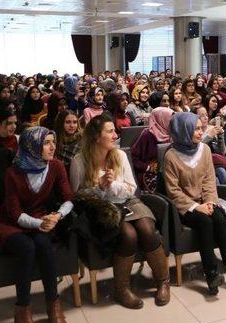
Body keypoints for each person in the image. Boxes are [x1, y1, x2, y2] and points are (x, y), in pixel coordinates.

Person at [70, 114, 170, 309]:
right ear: (96, 137)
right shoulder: (79, 161)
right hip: (102, 208)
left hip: (127, 200)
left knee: (147, 229)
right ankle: (121, 289)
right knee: (129, 235)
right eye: (110, 131)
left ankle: (163, 281)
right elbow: (77, 196)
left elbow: (131, 188)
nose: (116, 135)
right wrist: (99, 187)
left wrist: (112, 185)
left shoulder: (120, 155)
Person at [0, 127, 74, 323]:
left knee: (44, 245)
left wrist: (58, 215)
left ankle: (53, 306)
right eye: (46, 142)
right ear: (32, 146)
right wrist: (41, 223)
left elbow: (69, 198)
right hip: (10, 223)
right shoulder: (13, 172)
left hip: (41, 218)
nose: (53, 146)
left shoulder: (56, 166)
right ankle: (22, 309)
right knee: (27, 247)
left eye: (53, 141)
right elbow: (14, 213)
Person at [164, 113, 226, 294]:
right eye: (196, 129)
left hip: (205, 200)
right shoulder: (171, 156)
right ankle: (211, 272)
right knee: (204, 222)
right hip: (185, 206)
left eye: (200, 128)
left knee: (218, 217)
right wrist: (197, 207)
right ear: (184, 131)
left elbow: (209, 181)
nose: (200, 132)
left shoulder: (204, 149)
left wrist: (210, 202)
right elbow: (173, 191)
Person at [131, 107, 174, 193]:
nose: (173, 124)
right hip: (148, 173)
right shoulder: (147, 135)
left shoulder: (171, 134)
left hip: (167, 170)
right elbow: (132, 158)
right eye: (170, 121)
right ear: (161, 120)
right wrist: (148, 167)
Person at [194, 105, 226, 183]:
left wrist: (220, 136)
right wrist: (209, 136)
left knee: (222, 172)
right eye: (202, 116)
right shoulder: (192, 131)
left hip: (212, 162)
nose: (206, 118)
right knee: (215, 180)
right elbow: (195, 148)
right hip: (198, 163)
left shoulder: (212, 129)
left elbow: (222, 152)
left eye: (206, 114)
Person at [54, 110, 82, 175]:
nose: (72, 126)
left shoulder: (82, 141)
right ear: (61, 123)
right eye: (68, 122)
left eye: (75, 122)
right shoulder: (53, 140)